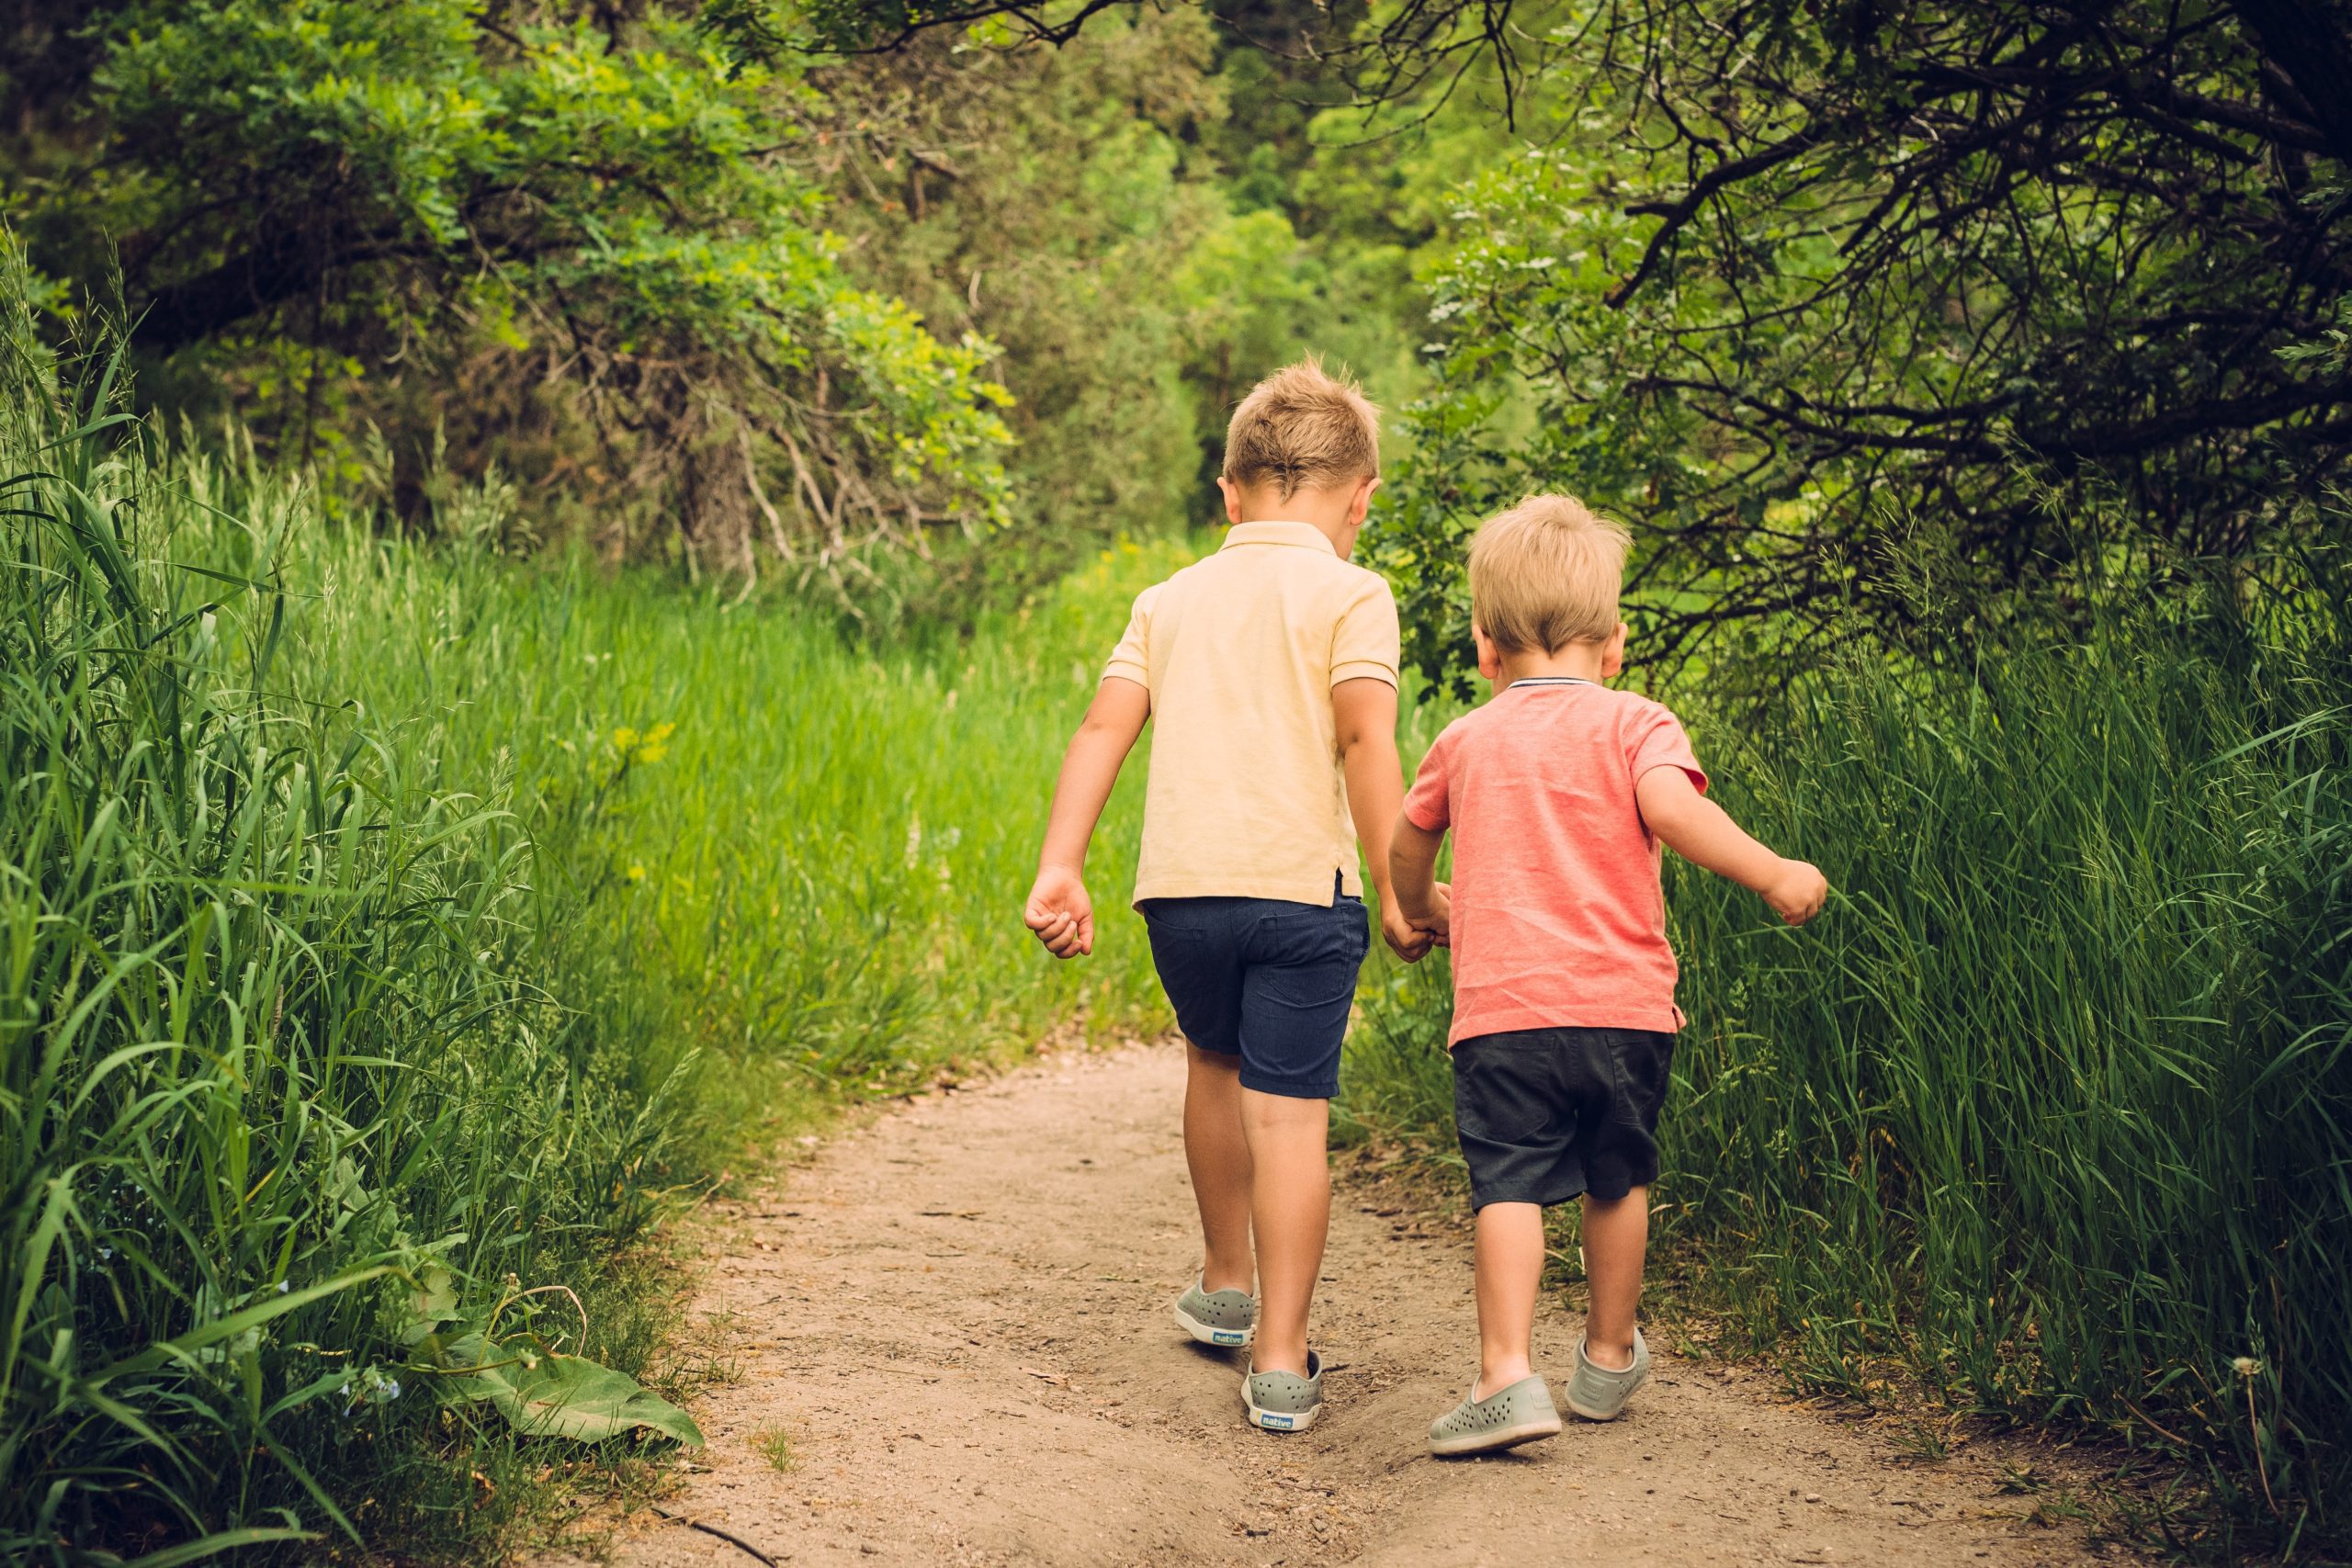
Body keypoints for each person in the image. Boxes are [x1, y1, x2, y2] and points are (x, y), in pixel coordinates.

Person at [1023, 358, 1432, 1434]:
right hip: (1301, 893)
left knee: (1211, 1063)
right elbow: (1364, 737)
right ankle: (1283, 1357)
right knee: (1289, 1115)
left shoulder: (1168, 597)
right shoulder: (1352, 592)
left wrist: (1060, 863)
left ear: (1229, 491)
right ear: (1360, 499)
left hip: (1182, 895)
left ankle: (1224, 1282)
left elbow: (1103, 728)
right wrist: (1400, 884)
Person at [1388, 493, 1828, 1455]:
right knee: (1614, 1176)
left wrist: (1419, 908)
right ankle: (1608, 1353)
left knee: (1505, 1183)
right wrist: (1772, 871)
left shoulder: (1463, 740)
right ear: (1616, 642)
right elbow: (1672, 811)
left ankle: (1506, 1373)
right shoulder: (1637, 724)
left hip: (1503, 1013)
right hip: (1625, 1012)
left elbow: (1407, 839)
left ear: (1484, 650)